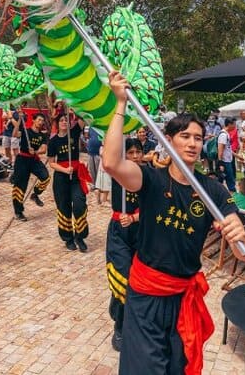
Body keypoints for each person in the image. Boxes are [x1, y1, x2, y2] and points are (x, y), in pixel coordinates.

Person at [102, 70, 245, 375]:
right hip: (145, 297)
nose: (193, 143)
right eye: (185, 136)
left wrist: (242, 237)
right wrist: (119, 104)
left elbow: (244, 253)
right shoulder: (151, 179)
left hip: (183, 298)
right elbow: (112, 163)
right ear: (168, 141)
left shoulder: (213, 190)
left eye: (198, 137)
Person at [106, 138, 143, 352]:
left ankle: (126, 314)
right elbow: (109, 160)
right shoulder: (118, 173)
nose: (136, 156)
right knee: (123, 279)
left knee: (139, 280)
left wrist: (135, 218)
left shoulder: (148, 176)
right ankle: (120, 327)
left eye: (138, 151)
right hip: (119, 232)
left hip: (142, 232)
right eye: (131, 152)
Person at [47, 113, 89, 252]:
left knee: (79, 204)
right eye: (62, 120)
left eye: (67, 120)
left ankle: (80, 236)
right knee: (64, 208)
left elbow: (84, 118)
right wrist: (65, 170)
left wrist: (75, 105)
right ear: (57, 123)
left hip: (76, 176)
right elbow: (52, 163)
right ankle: (68, 238)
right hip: (61, 177)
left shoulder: (74, 132)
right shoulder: (53, 142)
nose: (65, 122)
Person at [11, 112, 50, 219]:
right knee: (20, 186)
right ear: (33, 120)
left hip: (34, 160)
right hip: (22, 160)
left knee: (46, 177)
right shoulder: (26, 131)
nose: (40, 122)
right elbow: (14, 134)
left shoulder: (43, 135)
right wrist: (19, 120)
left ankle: (35, 194)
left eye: (42, 120)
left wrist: (36, 152)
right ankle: (18, 211)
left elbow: (44, 149)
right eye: (39, 120)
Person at [217, 117, 237, 192]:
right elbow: (220, 150)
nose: (235, 126)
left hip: (227, 160)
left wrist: (238, 156)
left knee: (222, 181)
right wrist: (221, 163)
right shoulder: (223, 135)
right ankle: (235, 198)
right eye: (234, 124)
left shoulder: (226, 134)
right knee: (230, 181)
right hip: (225, 162)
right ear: (229, 124)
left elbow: (228, 149)